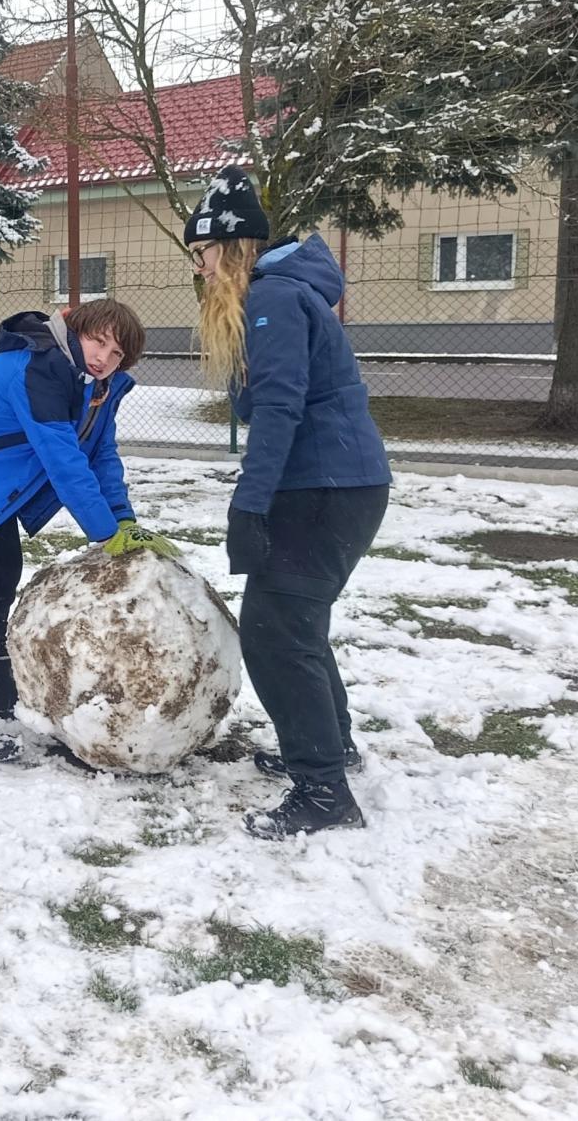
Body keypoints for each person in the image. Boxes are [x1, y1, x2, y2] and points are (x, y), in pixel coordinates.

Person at [185, 165, 392, 839]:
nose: (200, 266)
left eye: (204, 252)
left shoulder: (272, 298)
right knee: (297, 624)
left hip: (325, 488)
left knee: (276, 634)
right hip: (337, 486)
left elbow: (277, 411)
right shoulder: (281, 297)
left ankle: (323, 791)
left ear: (233, 245)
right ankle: (333, 750)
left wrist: (247, 508)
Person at [0, 299, 179, 762]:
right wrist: (104, 533)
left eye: (117, 355)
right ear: (78, 330)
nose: (104, 358)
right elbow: (64, 461)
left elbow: (101, 455)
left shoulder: (96, 386)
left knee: (3, 572)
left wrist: (124, 521)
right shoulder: (43, 371)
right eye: (99, 342)